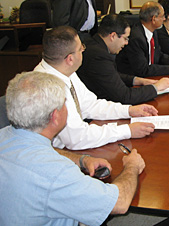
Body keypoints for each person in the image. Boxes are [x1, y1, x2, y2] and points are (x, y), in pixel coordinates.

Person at [0, 71, 145, 225]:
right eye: (65, 103)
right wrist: (132, 166)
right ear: (54, 116)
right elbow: (119, 203)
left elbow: (41, 151)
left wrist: (81, 160)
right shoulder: (56, 173)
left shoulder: (5, 135)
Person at [34, 26, 158, 150]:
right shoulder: (49, 87)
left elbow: (90, 105)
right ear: (70, 59)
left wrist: (128, 110)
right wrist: (127, 130)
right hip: (58, 153)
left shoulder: (63, 69)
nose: (83, 50)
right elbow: (77, 138)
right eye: (80, 48)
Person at [77, 14, 169, 105]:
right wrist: (156, 87)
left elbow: (111, 74)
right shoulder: (99, 56)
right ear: (113, 36)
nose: (126, 43)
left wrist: (138, 80)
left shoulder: (93, 44)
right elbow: (125, 96)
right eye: (125, 38)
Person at [116, 1, 169, 77]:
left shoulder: (153, 31)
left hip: (150, 76)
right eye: (162, 16)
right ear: (154, 19)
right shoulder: (136, 38)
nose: (164, 19)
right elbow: (143, 70)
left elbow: (159, 55)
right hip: (134, 80)